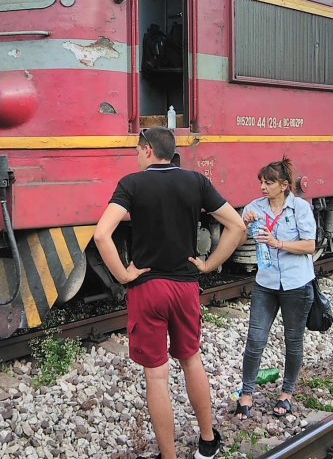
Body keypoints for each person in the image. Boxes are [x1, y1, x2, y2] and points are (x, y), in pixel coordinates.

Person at [94, 127, 246, 459]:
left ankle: (170, 456)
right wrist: (209, 265)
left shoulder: (131, 184)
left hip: (148, 289)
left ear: (148, 150)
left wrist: (124, 274)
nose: (135, 156)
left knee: (157, 375)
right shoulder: (196, 182)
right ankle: (207, 442)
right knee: (192, 360)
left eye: (137, 150)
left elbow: (102, 235)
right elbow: (238, 226)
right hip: (185, 287)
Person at [235, 157, 316, 420]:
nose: (262, 187)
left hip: (296, 284)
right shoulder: (254, 208)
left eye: (268, 182)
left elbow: (309, 246)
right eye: (261, 182)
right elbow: (237, 242)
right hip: (266, 284)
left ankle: (287, 393)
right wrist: (243, 226)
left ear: (283, 185)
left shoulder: (301, 209)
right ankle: (246, 395)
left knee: (293, 341)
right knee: (255, 340)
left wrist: (278, 243)